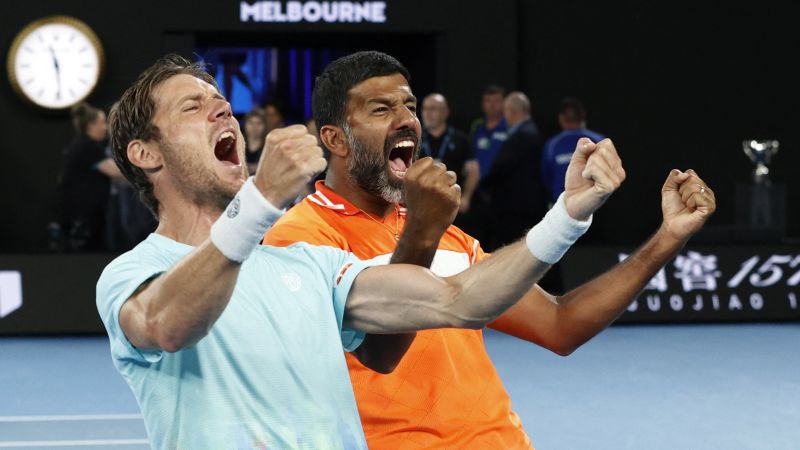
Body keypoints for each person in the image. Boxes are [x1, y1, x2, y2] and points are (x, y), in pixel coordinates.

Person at [96, 54, 613, 449]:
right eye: (195, 107)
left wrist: (567, 216)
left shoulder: (307, 264)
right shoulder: (134, 273)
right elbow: (166, 324)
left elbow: (459, 300)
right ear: (145, 154)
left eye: (222, 104)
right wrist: (259, 203)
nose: (222, 111)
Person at [264, 50, 716, 449]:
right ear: (335, 140)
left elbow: (560, 325)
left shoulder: (448, 235)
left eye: (409, 106)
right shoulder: (299, 237)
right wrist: (421, 228)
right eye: (382, 109)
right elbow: (380, 356)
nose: (406, 119)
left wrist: (667, 237)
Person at [481, 91, 548, 251]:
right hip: (528, 206)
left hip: (515, 210)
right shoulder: (533, 132)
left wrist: (485, 186)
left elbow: (501, 167)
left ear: (512, 111)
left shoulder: (522, 136)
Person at [53, 102, 124, 251]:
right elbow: (116, 172)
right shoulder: (87, 147)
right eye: (102, 123)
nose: (106, 128)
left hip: (82, 217)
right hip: (83, 220)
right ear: (91, 126)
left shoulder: (83, 145)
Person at [420, 93, 479, 221]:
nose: (427, 113)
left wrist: (466, 197)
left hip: (453, 205)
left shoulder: (460, 139)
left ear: (445, 112)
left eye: (433, 109)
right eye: (425, 108)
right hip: (422, 205)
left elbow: (473, 171)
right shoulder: (414, 139)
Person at [542, 97, 606, 203]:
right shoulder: (599, 141)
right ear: (583, 115)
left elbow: (546, 177)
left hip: (565, 205)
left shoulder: (552, 145)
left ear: (561, 118)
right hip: (592, 204)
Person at [242, 107, 268, 175]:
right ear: (245, 124)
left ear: (265, 126)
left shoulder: (269, 147)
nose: (255, 127)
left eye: (259, 123)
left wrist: (259, 168)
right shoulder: (237, 146)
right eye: (251, 123)